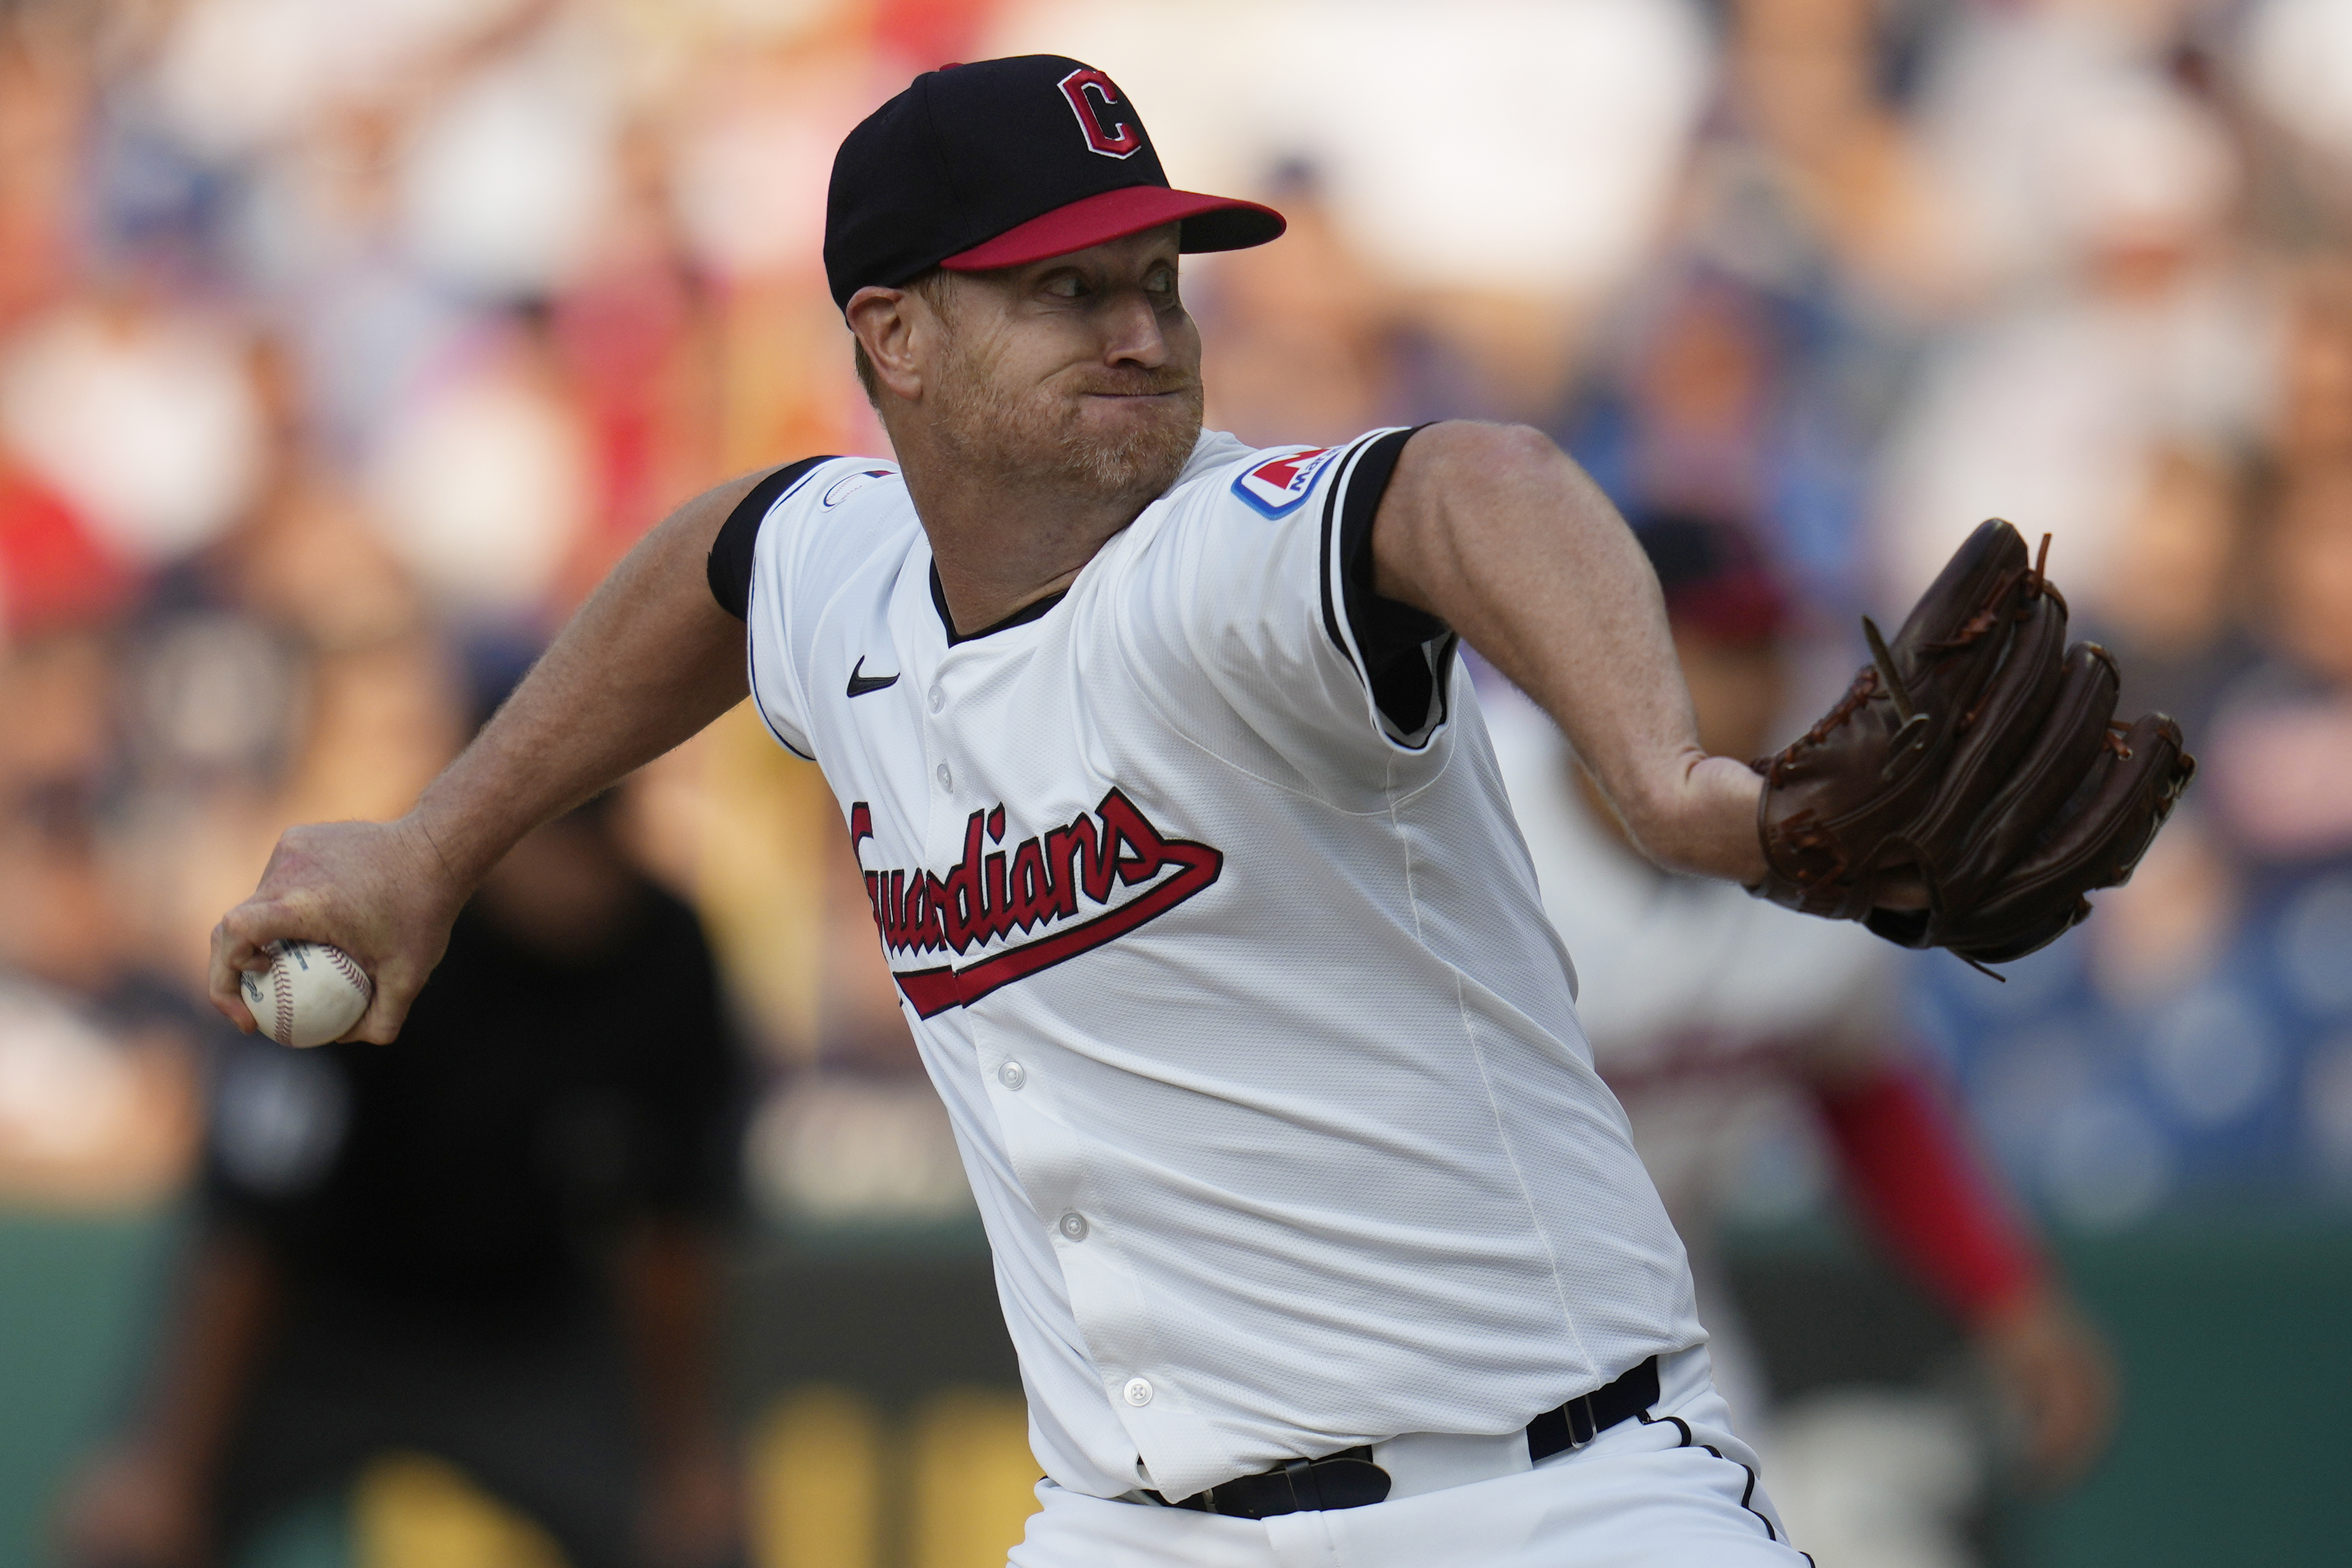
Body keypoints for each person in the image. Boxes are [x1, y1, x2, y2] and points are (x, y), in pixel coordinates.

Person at [212, 55, 1956, 1566]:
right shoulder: (846, 574)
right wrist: (432, 850)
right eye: (1065, 294)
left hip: (1533, 1497)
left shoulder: (1224, 563)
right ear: (889, 334)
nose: (1138, 332)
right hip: (1137, 1520)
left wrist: (1659, 780)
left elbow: (1470, 481)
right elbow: (719, 570)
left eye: (1158, 286)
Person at [1479, 514, 2115, 1501]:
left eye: (1767, 646)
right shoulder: (1446, 808)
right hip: (1412, 1317)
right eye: (1720, 647)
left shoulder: (1820, 851)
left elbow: (1861, 1091)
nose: (1758, 681)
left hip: (1651, 1316)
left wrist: (2005, 1296)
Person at [69, 787, 746, 1568]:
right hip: (321, 1323)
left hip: (528, 1330)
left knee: (701, 1545)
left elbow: (670, 1235)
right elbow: (250, 1232)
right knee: (128, 1536)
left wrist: (687, 1459)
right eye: (550, 837)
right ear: (491, 837)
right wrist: (164, 1466)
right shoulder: (358, 936)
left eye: (594, 841)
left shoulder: (657, 950)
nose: (577, 874)